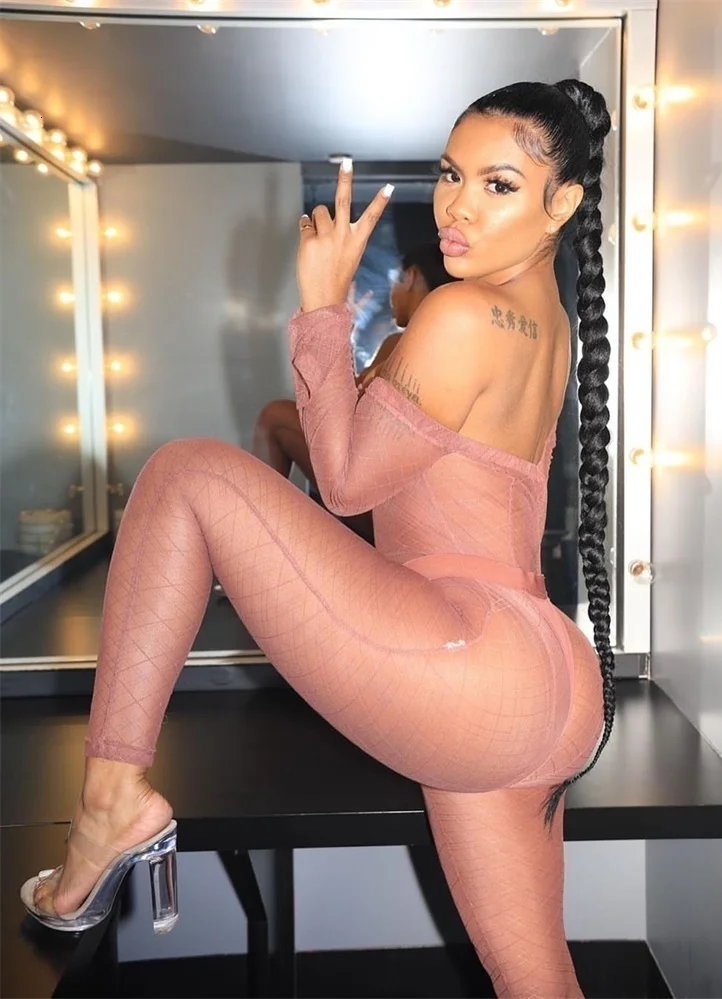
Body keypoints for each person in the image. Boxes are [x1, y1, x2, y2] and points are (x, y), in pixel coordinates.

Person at [22, 80, 614, 999]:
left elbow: (342, 483)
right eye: (450, 175)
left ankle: (109, 801)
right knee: (537, 981)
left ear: (563, 202)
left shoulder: (462, 315)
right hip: (543, 680)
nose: (456, 206)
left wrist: (323, 302)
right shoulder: (548, 324)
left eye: (497, 185)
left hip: (470, 659)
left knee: (185, 473)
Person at [251, 241, 457, 489]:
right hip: (427, 482)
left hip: (381, 488)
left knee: (274, 417)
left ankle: (255, 509)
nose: (391, 293)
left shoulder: (402, 342)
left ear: (411, 276)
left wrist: (337, 327)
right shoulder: (451, 345)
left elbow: (345, 409)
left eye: (396, 280)